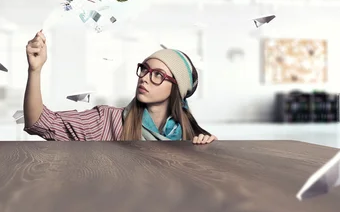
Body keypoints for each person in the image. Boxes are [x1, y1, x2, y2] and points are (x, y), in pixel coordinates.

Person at [22, 30, 217, 144]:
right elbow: (41, 124)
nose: (145, 79)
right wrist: (35, 71)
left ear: (177, 89)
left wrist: (209, 149)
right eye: (144, 69)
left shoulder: (190, 136)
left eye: (158, 75)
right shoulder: (107, 120)